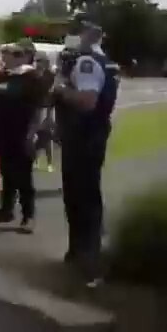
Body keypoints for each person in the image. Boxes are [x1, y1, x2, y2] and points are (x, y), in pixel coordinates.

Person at [53, 21, 119, 287]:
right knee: (86, 192)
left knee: (81, 195)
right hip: (91, 133)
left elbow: (87, 101)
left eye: (77, 32)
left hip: (83, 135)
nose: (72, 37)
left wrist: (60, 89)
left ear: (89, 34)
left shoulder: (87, 62)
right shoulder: (105, 61)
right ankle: (82, 253)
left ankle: (87, 258)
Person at [0, 39, 44, 233]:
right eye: (4, 55)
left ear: (22, 57)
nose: (4, 59)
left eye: (8, 55)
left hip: (22, 133)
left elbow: (37, 109)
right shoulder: (2, 76)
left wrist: (32, 133)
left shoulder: (32, 77)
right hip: (2, 133)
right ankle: (6, 209)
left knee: (23, 176)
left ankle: (29, 216)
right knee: (6, 172)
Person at [34, 51, 56, 172]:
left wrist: (49, 113)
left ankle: (49, 163)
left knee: (46, 136)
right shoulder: (34, 74)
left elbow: (51, 93)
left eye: (40, 61)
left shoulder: (50, 75)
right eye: (37, 61)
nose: (38, 63)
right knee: (36, 134)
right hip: (36, 108)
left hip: (47, 108)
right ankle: (36, 160)